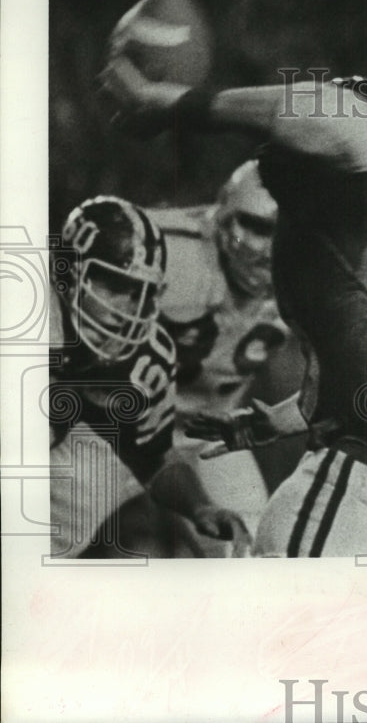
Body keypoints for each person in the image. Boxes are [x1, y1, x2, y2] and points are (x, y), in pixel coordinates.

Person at [98, 63, 367, 557]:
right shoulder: (181, 248)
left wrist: (273, 421)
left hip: (208, 429)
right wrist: (170, 100)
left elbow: (352, 381)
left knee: (239, 549)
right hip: (113, 421)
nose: (260, 246)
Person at [48, 195, 251, 557]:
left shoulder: (147, 358)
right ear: (67, 271)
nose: (128, 310)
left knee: (77, 498)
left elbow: (154, 459)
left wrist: (199, 506)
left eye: (140, 293)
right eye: (114, 285)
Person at [148, 160, 303, 541]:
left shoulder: (310, 278)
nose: (270, 250)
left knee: (250, 543)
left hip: (207, 434)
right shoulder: (167, 249)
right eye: (258, 227)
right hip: (116, 427)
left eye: (285, 233)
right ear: (222, 218)